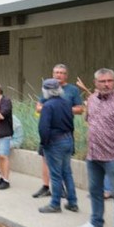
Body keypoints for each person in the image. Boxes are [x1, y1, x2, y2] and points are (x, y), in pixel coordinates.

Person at [75, 68, 114, 227]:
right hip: (93, 154)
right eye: (103, 81)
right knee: (95, 191)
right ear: (96, 83)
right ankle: (96, 222)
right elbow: (89, 121)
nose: (107, 84)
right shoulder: (91, 99)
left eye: (110, 81)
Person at [33, 64, 84, 199]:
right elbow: (38, 107)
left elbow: (80, 109)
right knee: (45, 159)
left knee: (64, 166)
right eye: (56, 72)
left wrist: (60, 109)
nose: (58, 75)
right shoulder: (48, 87)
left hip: (64, 131)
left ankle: (60, 194)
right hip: (48, 130)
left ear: (66, 75)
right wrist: (53, 108)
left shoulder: (72, 90)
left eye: (61, 73)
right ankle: (46, 187)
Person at [37, 79, 79, 214]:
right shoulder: (67, 103)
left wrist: (44, 143)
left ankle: (55, 204)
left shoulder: (48, 106)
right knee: (67, 173)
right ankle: (72, 202)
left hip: (54, 142)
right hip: (67, 139)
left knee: (55, 175)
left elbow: (44, 127)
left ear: (46, 91)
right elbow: (71, 124)